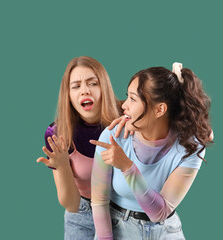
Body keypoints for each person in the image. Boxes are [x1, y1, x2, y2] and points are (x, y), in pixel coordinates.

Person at [90, 63, 213, 240]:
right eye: (128, 97)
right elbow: (99, 201)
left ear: (160, 109)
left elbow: (159, 213)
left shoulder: (190, 147)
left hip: (166, 231)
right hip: (119, 229)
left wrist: (127, 167)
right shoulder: (113, 135)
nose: (124, 105)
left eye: (133, 99)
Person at [36, 56, 124, 240]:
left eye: (92, 83)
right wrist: (62, 167)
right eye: (76, 86)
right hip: (83, 218)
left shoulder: (126, 117)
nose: (85, 91)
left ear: (104, 87)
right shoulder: (57, 133)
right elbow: (71, 205)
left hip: (125, 214)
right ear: (67, 94)